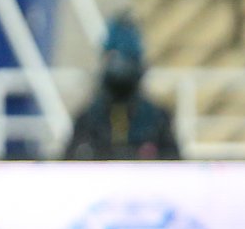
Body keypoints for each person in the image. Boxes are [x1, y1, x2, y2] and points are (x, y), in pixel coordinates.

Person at [64, 14, 179, 160]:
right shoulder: (89, 119)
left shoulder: (156, 119)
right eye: (113, 58)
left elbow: (174, 164)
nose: (119, 65)